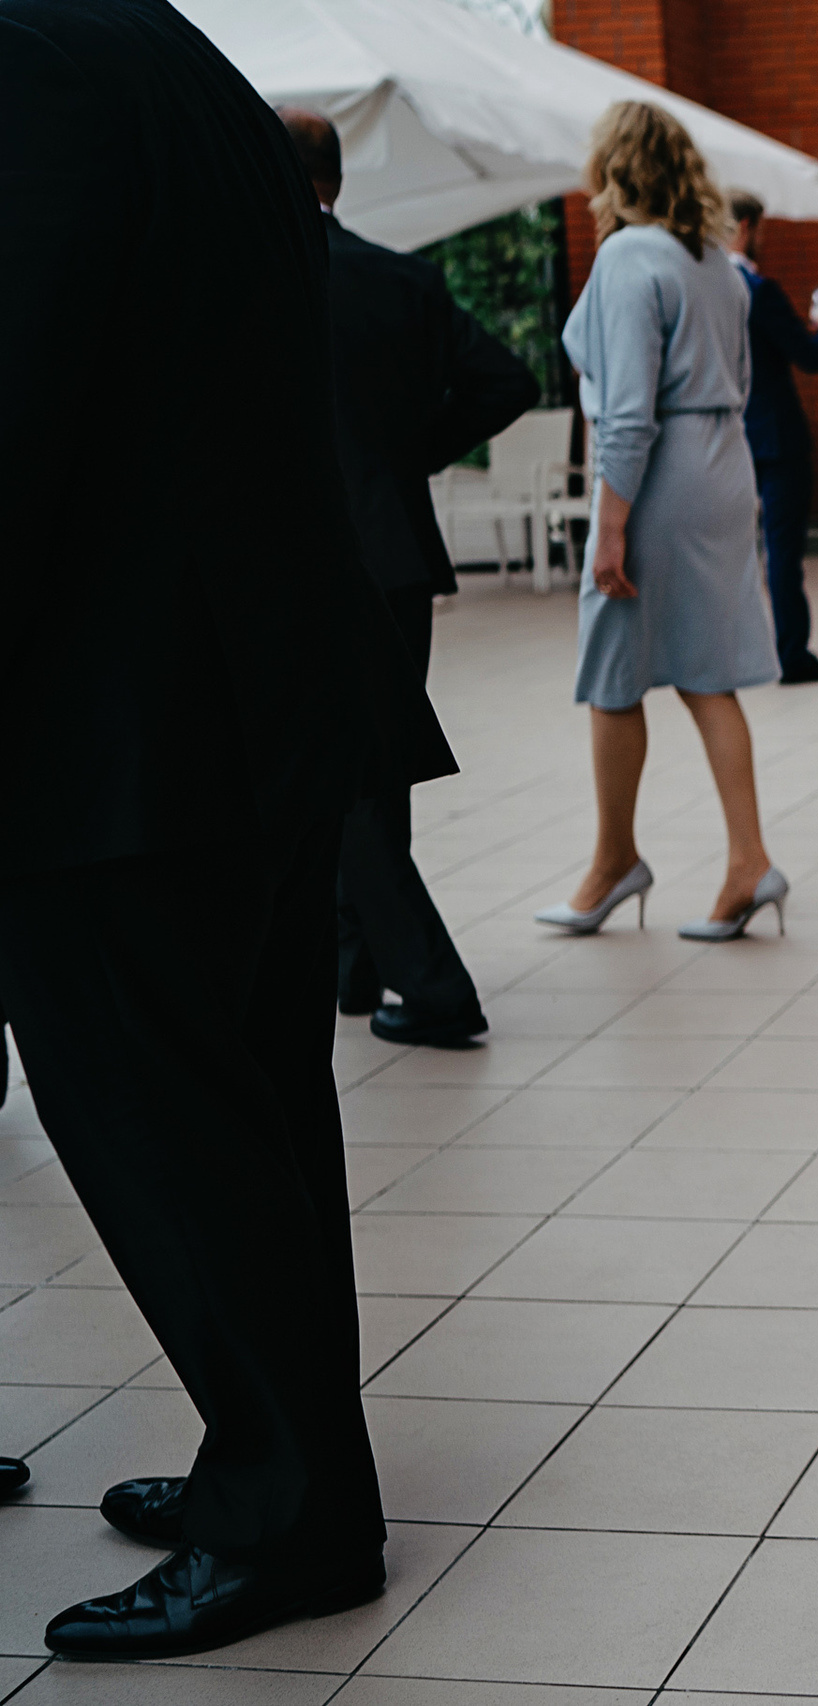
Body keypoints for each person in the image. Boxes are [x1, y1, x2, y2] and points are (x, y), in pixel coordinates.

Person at [0, 0, 454, 1657]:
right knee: (253, 1110)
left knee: (158, 1113)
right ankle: (281, 1457)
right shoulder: (158, 47)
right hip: (242, 687)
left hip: (119, 718)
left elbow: (21, 408)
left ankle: (291, 1510)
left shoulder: (30, 68)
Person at [277, 107, 538, 1048]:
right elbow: (509, 381)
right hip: (395, 558)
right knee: (374, 766)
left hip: (301, 563)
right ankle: (359, 967)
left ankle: (435, 987)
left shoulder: (256, 281)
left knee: (346, 785)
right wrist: (406, 458)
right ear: (337, 179)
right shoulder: (402, 279)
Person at [535, 102, 788, 942]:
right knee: (705, 673)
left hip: (660, 480)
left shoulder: (625, 257)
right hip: (722, 464)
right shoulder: (717, 259)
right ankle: (748, 858)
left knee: (614, 672)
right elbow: (740, 377)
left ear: (612, 168)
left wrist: (609, 526)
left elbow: (628, 413)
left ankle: (614, 862)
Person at [725, 189, 818, 685]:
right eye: (761, 228)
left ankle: (738, 654)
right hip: (776, 439)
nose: (763, 239)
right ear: (744, 227)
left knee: (733, 553)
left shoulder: (709, 289)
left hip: (730, 437)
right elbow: (809, 355)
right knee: (781, 552)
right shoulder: (758, 291)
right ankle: (791, 654)